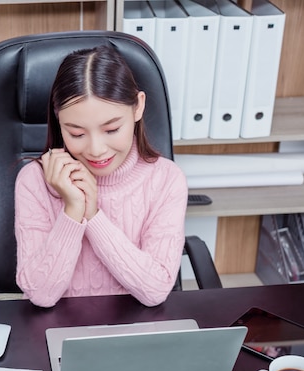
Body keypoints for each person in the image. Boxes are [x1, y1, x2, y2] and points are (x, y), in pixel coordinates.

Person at [14, 44, 188, 308]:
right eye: (77, 134)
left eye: (111, 129)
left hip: (135, 331)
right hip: (56, 331)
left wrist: (94, 216)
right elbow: (41, 295)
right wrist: (73, 210)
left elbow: (155, 290)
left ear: (138, 107)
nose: (96, 150)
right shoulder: (34, 182)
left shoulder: (166, 180)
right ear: (59, 121)